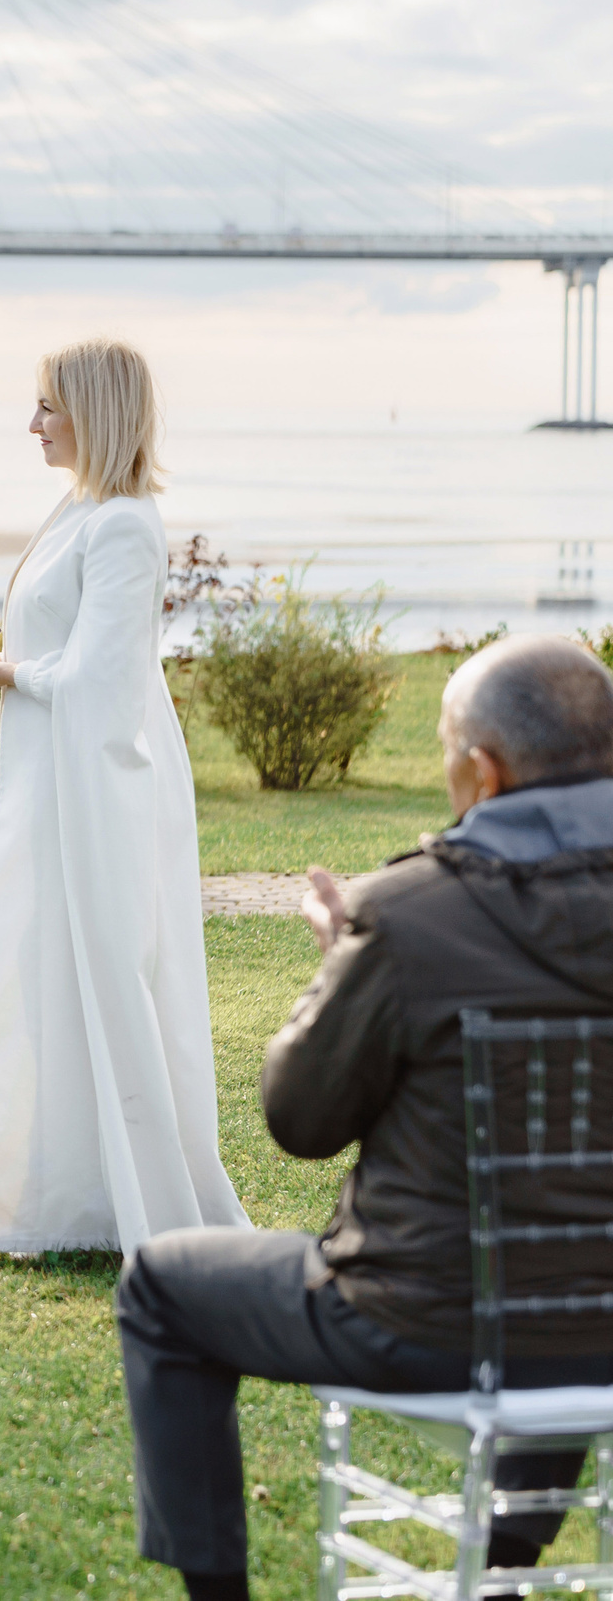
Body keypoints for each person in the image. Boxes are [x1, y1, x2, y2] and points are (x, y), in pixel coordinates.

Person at [116, 634, 613, 1601]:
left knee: (163, 1282)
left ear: (483, 769)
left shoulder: (411, 915)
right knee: (565, 1286)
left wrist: (345, 958)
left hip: (416, 1319)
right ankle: (501, 1571)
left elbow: (299, 1119)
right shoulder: (412, 912)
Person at [0, 338, 247, 1255]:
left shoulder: (125, 525)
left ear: (95, 414)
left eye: (47, 407)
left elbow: (103, 682)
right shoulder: (75, 511)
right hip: (46, 776)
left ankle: (124, 1198)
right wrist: (5, 669)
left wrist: (4, 671)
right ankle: (53, 1191)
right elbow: (57, 652)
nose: (32, 424)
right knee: (41, 963)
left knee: (104, 972)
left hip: (99, 790)